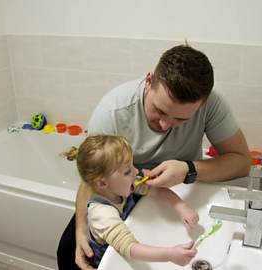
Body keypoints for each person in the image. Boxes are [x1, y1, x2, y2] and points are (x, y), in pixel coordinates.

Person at [57, 43, 251, 270]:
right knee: (68, 252)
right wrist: (82, 230)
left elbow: (241, 162)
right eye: (160, 111)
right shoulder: (112, 112)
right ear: (149, 82)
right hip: (120, 188)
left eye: (181, 120)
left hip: (170, 185)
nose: (166, 125)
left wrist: (187, 170)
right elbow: (91, 178)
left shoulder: (212, 102)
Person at [59, 134, 199, 268]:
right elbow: (130, 247)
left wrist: (182, 208)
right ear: (102, 183)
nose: (135, 171)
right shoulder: (101, 213)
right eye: (127, 171)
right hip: (111, 262)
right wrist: (169, 254)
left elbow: (157, 191)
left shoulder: (120, 187)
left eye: (132, 165)